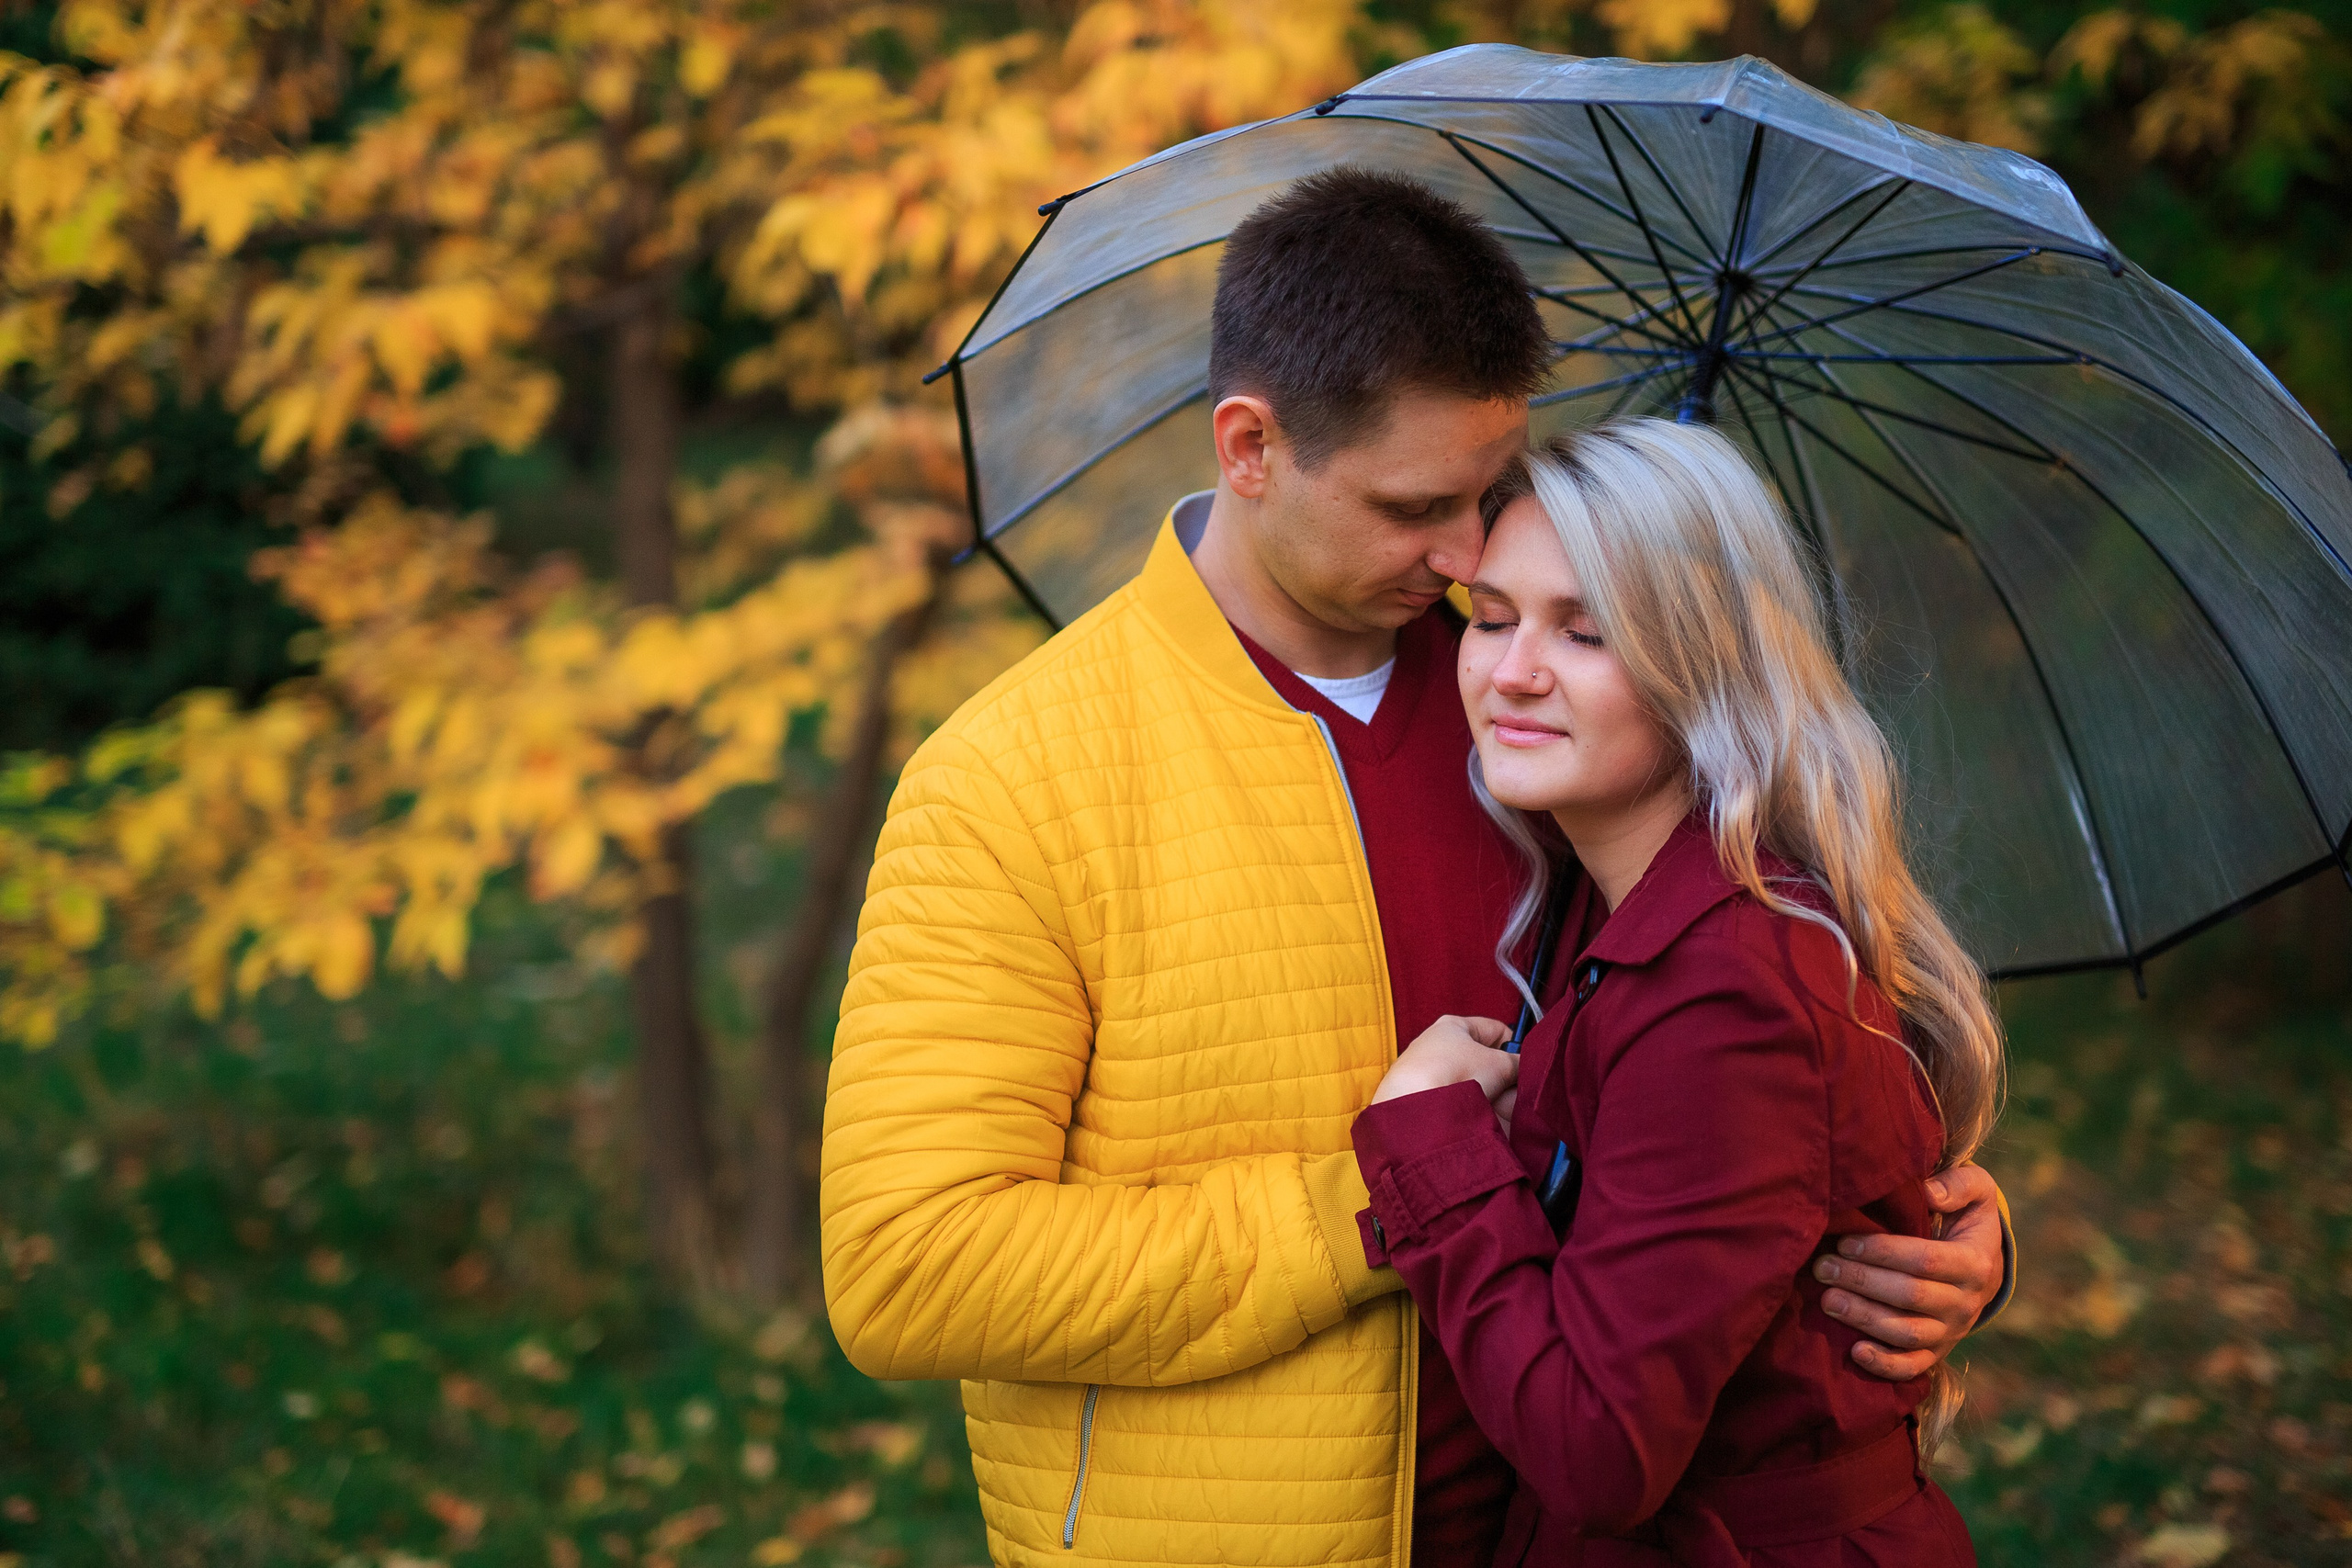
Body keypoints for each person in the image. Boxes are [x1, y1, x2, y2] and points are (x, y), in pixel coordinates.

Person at [821, 169, 2011, 1567]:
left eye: (1486, 493)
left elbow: (1730, 1053)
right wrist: (1377, 1199)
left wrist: (1926, 1224)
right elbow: (908, 1265)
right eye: (1412, 506)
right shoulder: (1013, 779)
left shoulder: (1544, 717)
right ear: (1250, 447)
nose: (1460, 554)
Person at [1352, 419, 2000, 1565]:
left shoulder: (1727, 986)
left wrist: (1429, 1140)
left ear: (1703, 665)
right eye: (1491, 618)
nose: (1512, 671)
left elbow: (1598, 1453)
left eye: (1586, 631)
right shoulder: (1601, 895)